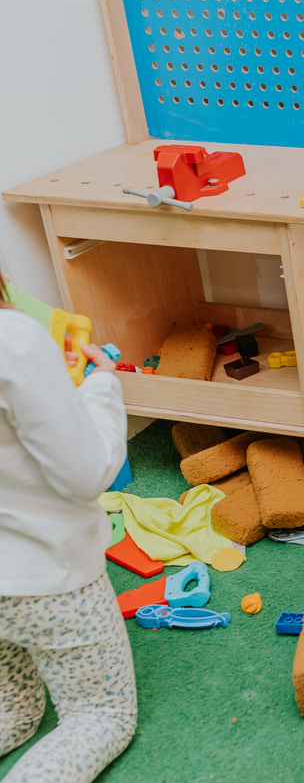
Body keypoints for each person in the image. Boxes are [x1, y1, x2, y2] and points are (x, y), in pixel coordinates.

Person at [0, 272, 137, 782]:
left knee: (12, 711)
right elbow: (85, 473)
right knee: (100, 715)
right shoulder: (13, 340)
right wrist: (100, 388)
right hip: (47, 580)